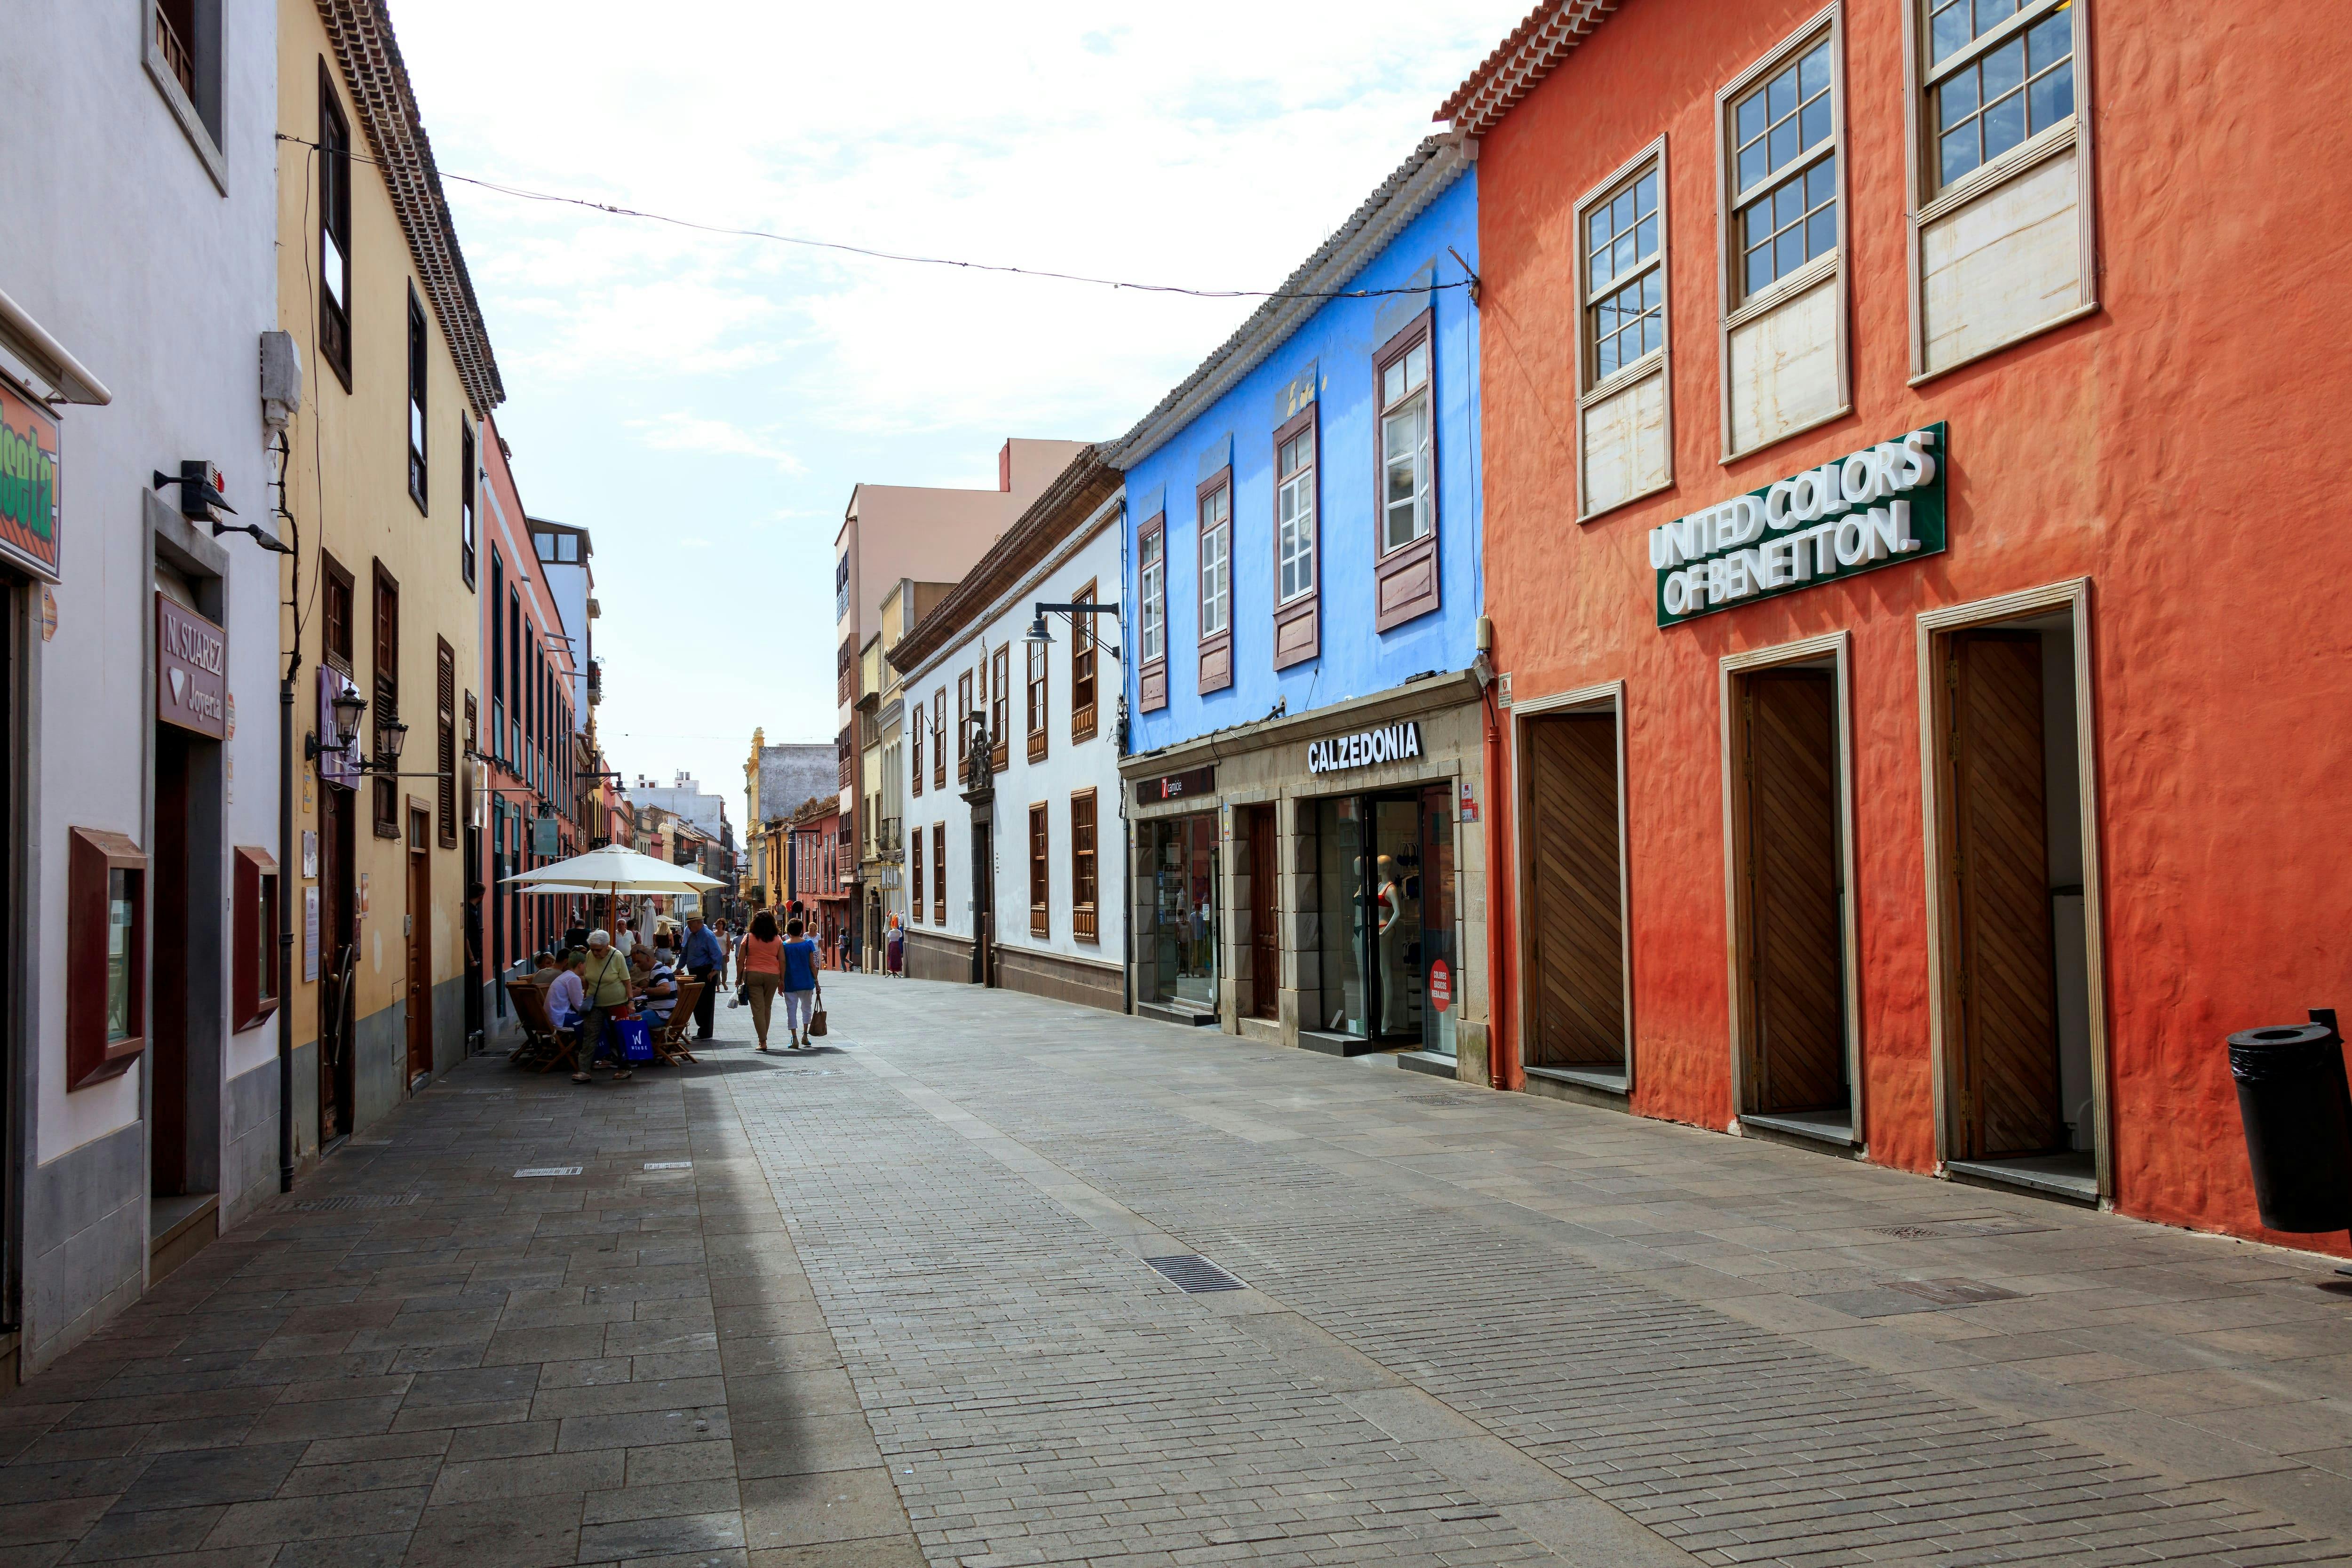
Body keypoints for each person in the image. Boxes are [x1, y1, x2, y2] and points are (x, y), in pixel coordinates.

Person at [573, 931, 636, 1084]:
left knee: (619, 1035)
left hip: (617, 1003)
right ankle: (584, 1071)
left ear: (607, 946)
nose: (595, 952)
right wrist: (586, 997)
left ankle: (624, 1068)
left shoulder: (617, 956)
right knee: (590, 1036)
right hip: (595, 1004)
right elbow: (588, 979)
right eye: (592, 949)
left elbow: (627, 981)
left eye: (598, 950)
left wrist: (631, 1002)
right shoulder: (589, 955)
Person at [738, 910, 785, 1051]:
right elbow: (782, 960)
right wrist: (782, 979)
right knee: (767, 1007)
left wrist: (738, 977)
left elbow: (741, 960)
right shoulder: (778, 939)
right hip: (772, 975)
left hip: (753, 974)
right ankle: (764, 1037)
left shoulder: (748, 938)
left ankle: (762, 1041)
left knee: (758, 1009)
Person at [682, 911, 724, 1040]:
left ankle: (706, 1032)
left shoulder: (707, 935)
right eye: (688, 924)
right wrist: (679, 968)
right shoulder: (692, 936)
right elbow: (685, 953)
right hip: (695, 972)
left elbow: (717, 954)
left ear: (699, 923)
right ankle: (702, 1029)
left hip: (706, 972)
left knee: (706, 1003)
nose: (689, 927)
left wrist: (715, 971)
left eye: (690, 924)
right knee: (697, 1002)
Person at [781, 918, 823, 1048]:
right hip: (806, 981)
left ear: (788, 931)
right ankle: (805, 1035)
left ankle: (794, 1039)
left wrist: (781, 981)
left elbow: (782, 965)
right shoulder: (808, 944)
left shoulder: (784, 946)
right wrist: (816, 982)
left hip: (790, 982)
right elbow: (812, 965)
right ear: (801, 931)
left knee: (791, 1010)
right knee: (806, 1009)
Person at [640, 937, 680, 1029]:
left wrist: (644, 991)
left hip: (662, 1015)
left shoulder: (657, 971)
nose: (637, 965)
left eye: (639, 962)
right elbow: (679, 990)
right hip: (671, 1013)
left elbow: (666, 989)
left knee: (625, 1020)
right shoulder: (665, 969)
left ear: (647, 959)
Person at [546, 950, 587, 1032]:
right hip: (559, 1019)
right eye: (586, 965)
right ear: (580, 965)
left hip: (552, 1017)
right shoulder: (574, 978)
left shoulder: (566, 975)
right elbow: (579, 1006)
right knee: (595, 1021)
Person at [885, 914, 905, 978]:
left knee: (892, 957)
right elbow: (901, 936)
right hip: (897, 945)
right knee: (896, 957)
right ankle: (895, 970)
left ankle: (893, 969)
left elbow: (888, 936)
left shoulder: (891, 932)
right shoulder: (899, 932)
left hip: (892, 945)